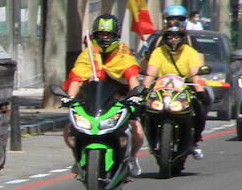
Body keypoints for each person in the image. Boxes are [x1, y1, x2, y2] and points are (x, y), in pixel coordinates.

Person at [63, 13, 145, 177]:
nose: (105, 38)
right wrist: (69, 99)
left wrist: (136, 95)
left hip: (119, 101)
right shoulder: (88, 54)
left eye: (109, 34)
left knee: (137, 130)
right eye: (101, 34)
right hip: (92, 102)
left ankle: (132, 158)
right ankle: (78, 157)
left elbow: (133, 79)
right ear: (95, 35)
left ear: (116, 36)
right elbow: (77, 79)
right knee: (69, 130)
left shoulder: (123, 53)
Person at [144, 23, 208, 158]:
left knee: (201, 106)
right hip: (161, 91)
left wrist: (199, 90)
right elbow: (151, 73)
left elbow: (194, 74)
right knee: (144, 110)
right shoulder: (158, 52)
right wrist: (143, 90)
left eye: (177, 37)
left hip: (184, 90)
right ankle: (152, 139)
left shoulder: (190, 52)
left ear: (183, 37)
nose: (174, 40)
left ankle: (195, 140)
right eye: (170, 37)